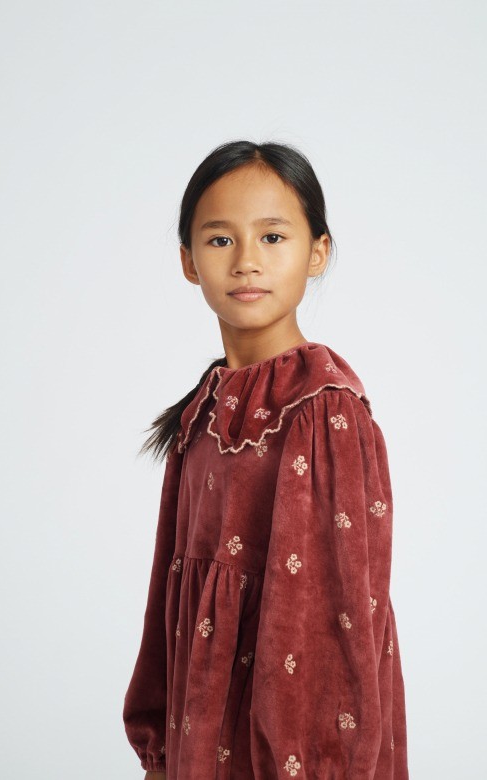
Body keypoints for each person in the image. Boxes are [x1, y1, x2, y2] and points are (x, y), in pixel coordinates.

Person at [122, 140, 409, 779]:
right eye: (220, 239)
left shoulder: (322, 411)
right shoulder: (204, 409)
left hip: (286, 751)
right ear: (188, 261)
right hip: (201, 731)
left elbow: (332, 618)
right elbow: (169, 593)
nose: (247, 261)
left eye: (273, 237)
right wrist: (159, 749)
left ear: (318, 252)